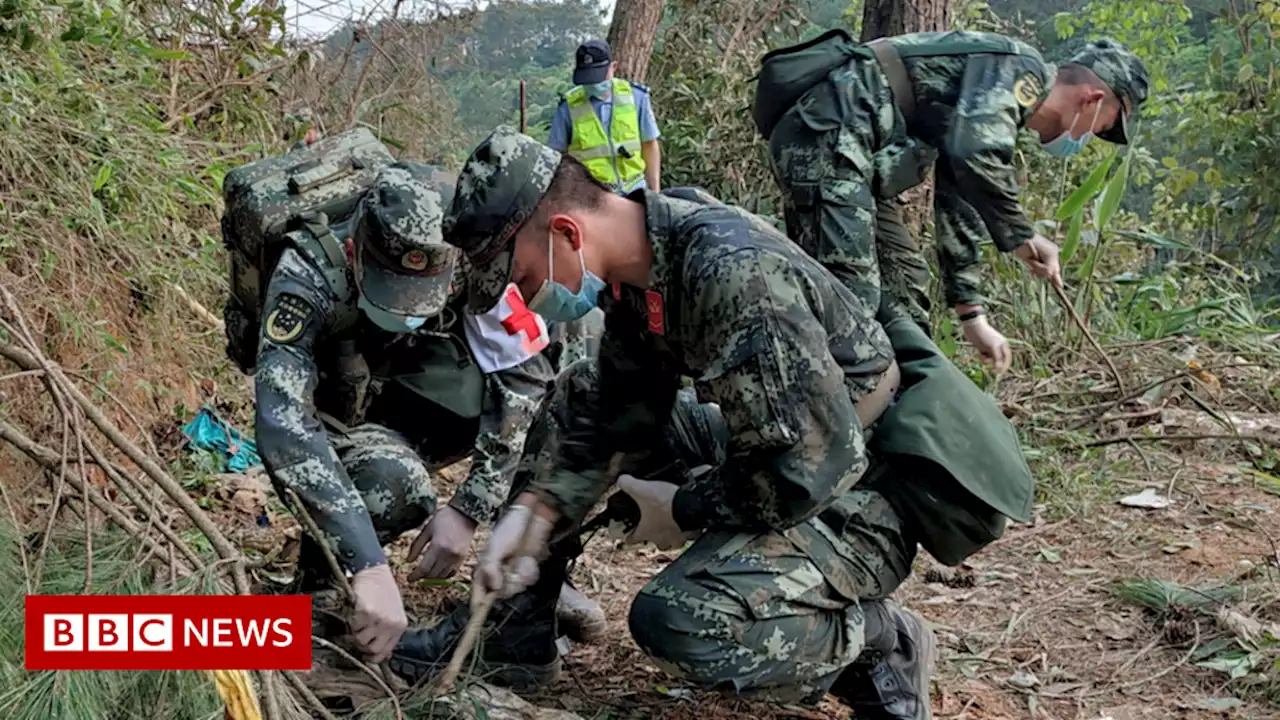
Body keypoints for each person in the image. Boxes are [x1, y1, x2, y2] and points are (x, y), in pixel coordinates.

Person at [391, 126, 1035, 720]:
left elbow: (804, 472)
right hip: (782, 442)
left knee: (684, 620)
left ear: (565, 232)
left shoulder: (730, 273)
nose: (525, 297)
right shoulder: (643, 265)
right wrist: (537, 513)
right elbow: (618, 408)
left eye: (522, 275)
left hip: (865, 486)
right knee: (577, 395)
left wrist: (684, 506)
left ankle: (879, 640)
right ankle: (517, 632)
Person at [253, 161, 602, 665]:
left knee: (579, 367)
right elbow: (284, 423)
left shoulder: (467, 247)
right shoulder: (306, 275)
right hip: (341, 407)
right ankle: (322, 586)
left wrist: (469, 509)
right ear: (356, 253)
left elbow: (523, 376)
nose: (410, 310)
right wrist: (367, 562)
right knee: (392, 483)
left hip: (417, 386)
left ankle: (527, 591)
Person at [757, 34, 1149, 374]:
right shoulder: (1020, 69)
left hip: (853, 153)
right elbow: (972, 153)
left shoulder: (995, 106)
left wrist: (972, 314)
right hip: (828, 136)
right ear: (1092, 99)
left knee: (907, 287)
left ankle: (900, 412)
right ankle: (808, 421)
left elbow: (959, 195)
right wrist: (1023, 237)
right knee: (851, 302)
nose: (1091, 137)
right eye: (1103, 127)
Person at [547, 39, 662, 194]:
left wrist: (655, 192)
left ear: (613, 67)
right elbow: (557, 155)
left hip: (634, 191)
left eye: (598, 76)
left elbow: (649, 144)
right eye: (588, 78)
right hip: (590, 196)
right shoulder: (568, 107)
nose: (594, 84)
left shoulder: (636, 97)